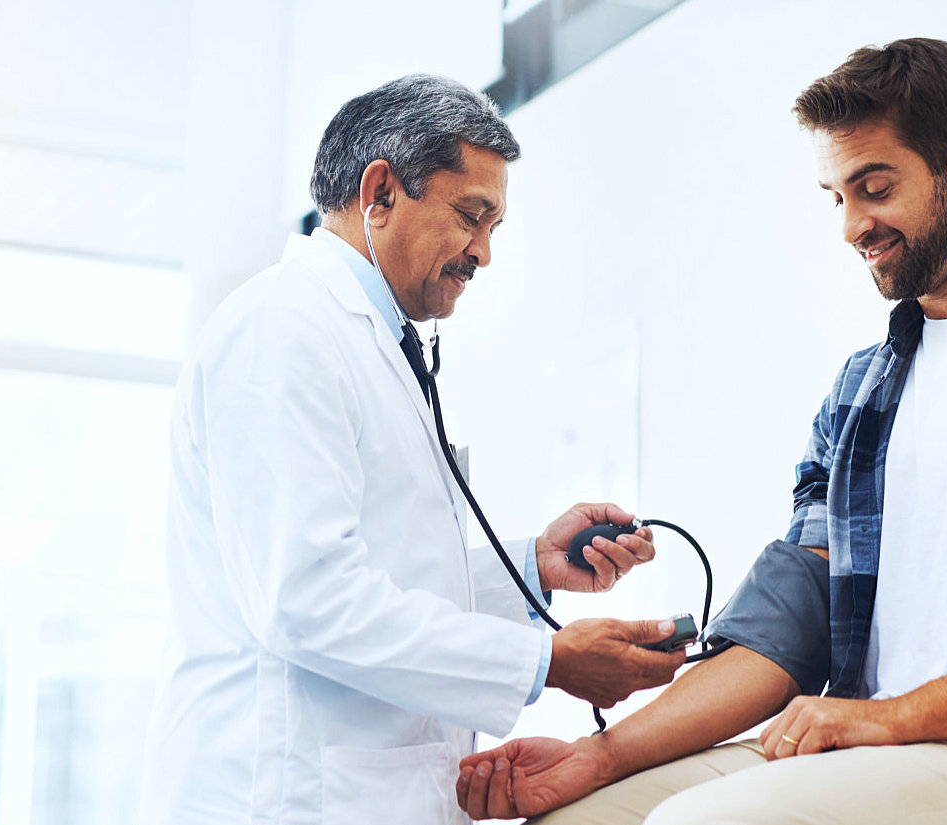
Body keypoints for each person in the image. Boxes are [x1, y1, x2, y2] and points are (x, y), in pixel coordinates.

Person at [457, 38, 947, 825]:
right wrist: (596, 757)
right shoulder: (863, 390)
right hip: (872, 741)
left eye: (875, 186)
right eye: (836, 196)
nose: (854, 225)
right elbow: (787, 630)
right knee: (577, 819)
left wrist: (887, 717)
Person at [141, 74, 688, 825]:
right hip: (280, 791)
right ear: (381, 192)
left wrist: (529, 567)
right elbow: (307, 598)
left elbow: (387, 572)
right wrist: (547, 663)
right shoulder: (283, 331)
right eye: (473, 216)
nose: (484, 253)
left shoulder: (371, 341)